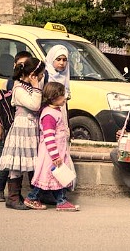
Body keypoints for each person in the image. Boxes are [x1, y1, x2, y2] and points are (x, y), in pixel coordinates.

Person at [0, 57, 46, 210]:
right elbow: (35, 105)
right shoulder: (19, 89)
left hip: (30, 128)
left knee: (25, 162)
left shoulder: (29, 87)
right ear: (33, 74)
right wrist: (36, 86)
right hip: (22, 127)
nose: (42, 77)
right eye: (40, 74)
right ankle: (12, 197)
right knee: (17, 163)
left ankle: (17, 196)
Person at [24, 82, 79, 211]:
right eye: (62, 96)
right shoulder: (49, 114)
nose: (65, 98)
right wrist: (55, 155)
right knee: (50, 175)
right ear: (53, 97)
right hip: (51, 154)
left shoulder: (55, 111)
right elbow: (49, 137)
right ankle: (33, 198)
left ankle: (60, 200)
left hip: (57, 152)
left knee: (57, 176)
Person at [0, 51, 32, 202]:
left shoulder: (31, 83)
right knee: (4, 156)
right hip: (9, 125)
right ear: (15, 65)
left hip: (23, 127)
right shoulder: (8, 83)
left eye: (26, 65)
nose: (22, 67)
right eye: (20, 64)